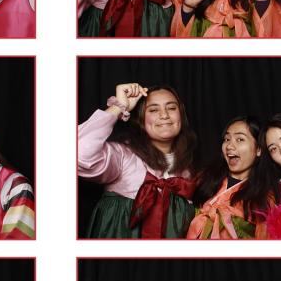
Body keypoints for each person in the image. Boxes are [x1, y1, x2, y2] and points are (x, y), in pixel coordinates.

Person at [78, 82, 196, 238]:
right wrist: (119, 107)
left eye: (172, 108)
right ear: (141, 119)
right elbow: (79, 154)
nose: (164, 115)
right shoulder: (123, 156)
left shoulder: (190, 169)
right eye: (153, 110)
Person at [187, 117, 276, 239]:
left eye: (240, 139)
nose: (229, 145)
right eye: (227, 139)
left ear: (259, 149)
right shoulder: (204, 179)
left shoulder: (264, 199)